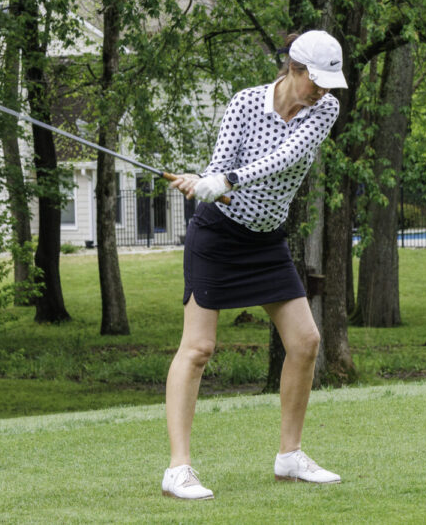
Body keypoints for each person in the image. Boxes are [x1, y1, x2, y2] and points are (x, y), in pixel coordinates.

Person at [161, 30, 347, 500]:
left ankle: (290, 456)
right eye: (315, 81)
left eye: (328, 83)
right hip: (217, 236)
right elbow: (219, 169)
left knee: (305, 341)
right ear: (293, 68)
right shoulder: (245, 103)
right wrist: (206, 182)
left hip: (266, 241)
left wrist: (227, 179)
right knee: (198, 348)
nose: (321, 91)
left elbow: (287, 157)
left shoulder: (324, 110)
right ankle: (178, 470)